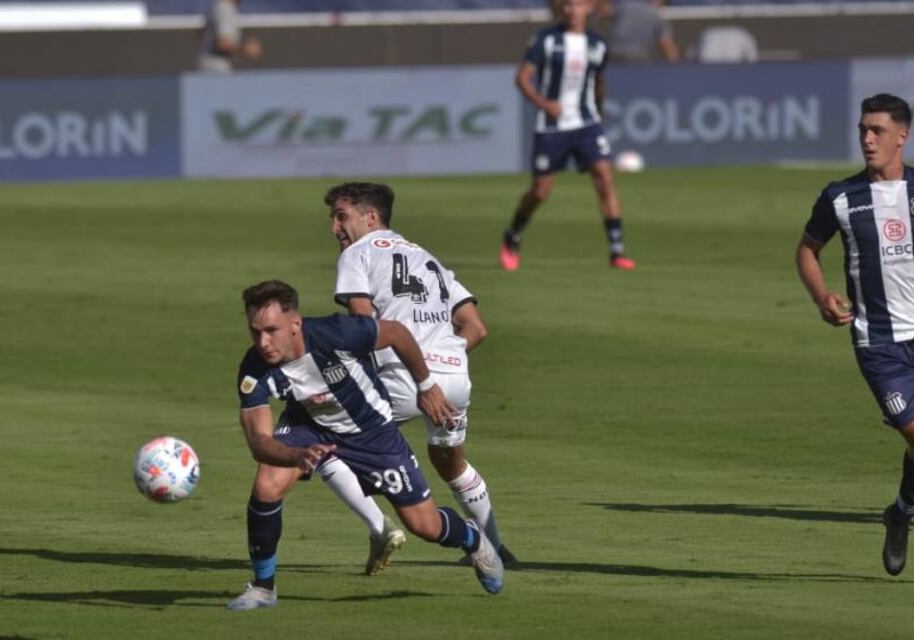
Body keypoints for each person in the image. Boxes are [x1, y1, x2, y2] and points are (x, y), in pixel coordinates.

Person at [227, 280, 504, 610]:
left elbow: (398, 334)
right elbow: (259, 441)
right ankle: (263, 588)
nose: (263, 342)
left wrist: (426, 385)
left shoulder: (337, 333)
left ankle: (473, 539)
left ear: (295, 323)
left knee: (424, 526)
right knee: (267, 483)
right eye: (255, 331)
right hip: (309, 424)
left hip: (371, 432)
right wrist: (294, 455)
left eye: (271, 330)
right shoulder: (253, 370)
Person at [317, 182, 517, 575]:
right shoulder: (429, 259)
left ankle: (380, 529)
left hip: (405, 379)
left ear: (370, 218)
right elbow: (475, 327)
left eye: (342, 217)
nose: (334, 227)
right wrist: (442, 362)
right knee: (449, 461)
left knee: (321, 441)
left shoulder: (358, 255)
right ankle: (496, 546)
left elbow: (364, 326)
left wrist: (413, 375)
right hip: (455, 379)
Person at [796, 93, 914, 577]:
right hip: (879, 344)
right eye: (862, 130)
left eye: (877, 131)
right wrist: (821, 296)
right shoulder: (840, 197)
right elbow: (807, 250)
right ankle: (905, 508)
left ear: (902, 136)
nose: (867, 139)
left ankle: (901, 510)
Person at [501, 0, 636, 272]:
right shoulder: (546, 40)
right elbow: (522, 78)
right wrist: (544, 103)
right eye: (569, 5)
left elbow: (598, 80)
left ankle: (616, 250)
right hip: (551, 126)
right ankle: (513, 234)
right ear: (563, 9)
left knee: (605, 179)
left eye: (579, 5)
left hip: (587, 123)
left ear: (589, 9)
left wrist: (599, 110)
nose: (573, 11)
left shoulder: (598, 44)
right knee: (540, 192)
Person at [597, 0, 680, 64]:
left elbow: (605, 11)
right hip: (637, 60)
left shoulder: (626, 5)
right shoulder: (658, 17)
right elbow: (668, 47)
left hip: (615, 57)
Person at [197, 0, 262, 73]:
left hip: (208, 67)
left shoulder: (217, 6)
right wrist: (245, 49)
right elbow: (222, 43)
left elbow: (199, 35)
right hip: (216, 70)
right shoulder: (225, 9)